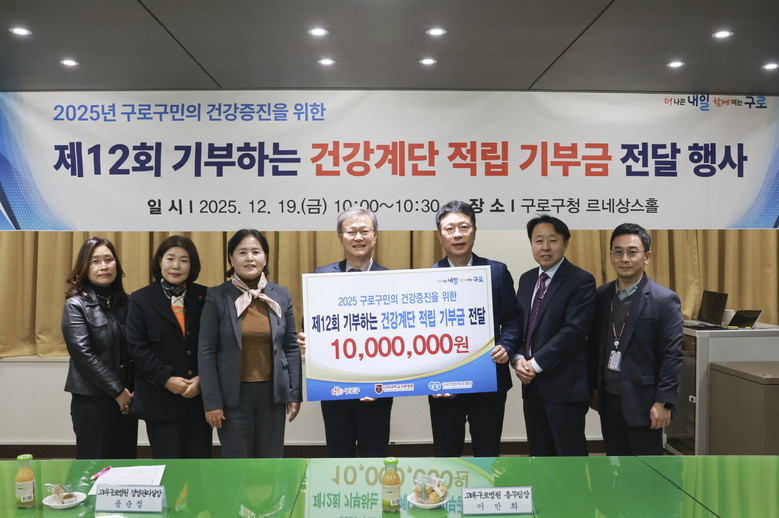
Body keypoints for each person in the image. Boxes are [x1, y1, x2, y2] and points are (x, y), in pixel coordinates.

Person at [429, 200, 521, 457]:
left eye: (464, 227)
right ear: (440, 236)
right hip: (445, 384)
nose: (457, 234)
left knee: (488, 453)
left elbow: (512, 319)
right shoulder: (428, 276)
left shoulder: (496, 271)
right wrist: (431, 378)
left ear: (474, 231)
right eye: (449, 229)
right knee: (446, 455)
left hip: (489, 378)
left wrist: (506, 346)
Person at [198, 229, 301, 458]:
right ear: (231, 259)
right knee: (237, 463)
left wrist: (294, 393)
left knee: (270, 462)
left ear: (265, 257)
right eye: (242, 252)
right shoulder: (217, 296)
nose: (250, 258)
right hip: (233, 397)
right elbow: (206, 352)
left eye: (256, 252)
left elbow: (291, 347)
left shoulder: (280, 295)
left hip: (272, 395)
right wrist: (212, 402)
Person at [589, 223, 683, 455]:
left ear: (646, 256)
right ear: (611, 255)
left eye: (632, 252)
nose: (624, 259)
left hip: (645, 402)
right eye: (618, 252)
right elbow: (594, 345)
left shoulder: (664, 300)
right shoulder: (601, 295)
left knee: (647, 469)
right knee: (616, 464)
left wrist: (664, 402)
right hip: (608, 400)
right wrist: (593, 388)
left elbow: (672, 355)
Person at [514, 215, 595, 457]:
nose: (545, 247)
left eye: (552, 240)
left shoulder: (581, 280)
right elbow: (519, 325)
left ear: (565, 244)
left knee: (569, 457)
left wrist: (535, 365)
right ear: (531, 244)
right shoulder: (527, 279)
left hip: (565, 386)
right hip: (531, 386)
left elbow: (573, 332)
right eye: (539, 241)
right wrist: (518, 358)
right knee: (539, 455)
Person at [315, 207, 393, 458]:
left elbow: (396, 337)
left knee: (375, 456)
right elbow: (313, 323)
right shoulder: (321, 277)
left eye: (364, 231)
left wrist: (379, 384)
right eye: (351, 232)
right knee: (338, 457)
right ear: (340, 237)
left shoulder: (392, 280)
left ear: (375, 236)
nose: (358, 237)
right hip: (335, 387)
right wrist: (308, 337)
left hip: (377, 390)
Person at [126, 235, 212, 458]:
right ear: (159, 262)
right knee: (169, 467)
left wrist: (202, 379)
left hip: (198, 399)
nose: (176, 266)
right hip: (159, 400)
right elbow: (138, 348)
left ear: (192, 265)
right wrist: (166, 379)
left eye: (184, 260)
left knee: (200, 467)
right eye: (170, 258)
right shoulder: (140, 299)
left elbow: (216, 344)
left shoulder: (206, 296)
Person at [61, 236, 137, 459]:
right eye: (95, 261)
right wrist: (117, 391)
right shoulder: (76, 305)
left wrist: (131, 392)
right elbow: (83, 355)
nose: (104, 266)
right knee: (93, 466)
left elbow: (138, 349)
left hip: (127, 400)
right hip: (92, 400)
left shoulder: (128, 303)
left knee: (125, 465)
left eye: (109, 259)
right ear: (84, 267)